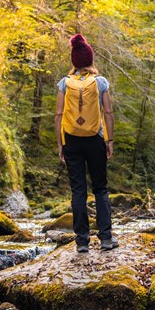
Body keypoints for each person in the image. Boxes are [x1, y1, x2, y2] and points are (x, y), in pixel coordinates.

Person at [55, 33, 118, 253]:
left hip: (72, 140)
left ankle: (82, 241)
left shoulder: (65, 83)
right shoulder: (100, 83)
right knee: (100, 188)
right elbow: (108, 112)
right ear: (90, 60)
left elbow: (58, 115)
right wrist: (109, 140)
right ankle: (106, 238)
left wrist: (60, 144)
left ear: (74, 61)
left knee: (78, 190)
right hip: (95, 139)